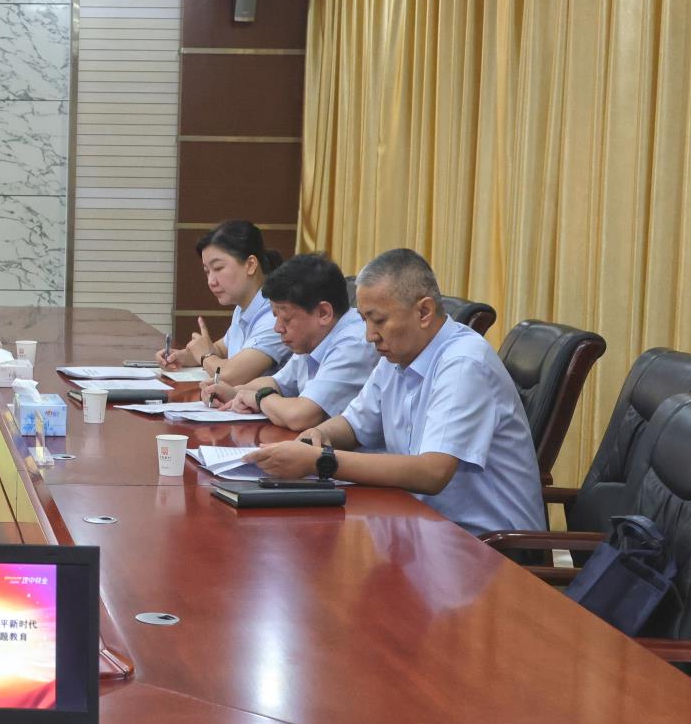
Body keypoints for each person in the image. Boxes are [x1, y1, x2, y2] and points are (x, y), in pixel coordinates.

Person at [244, 248, 546, 536]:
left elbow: (432, 472)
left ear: (424, 312)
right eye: (364, 320)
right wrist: (318, 436)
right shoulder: (397, 356)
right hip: (420, 524)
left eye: (378, 321)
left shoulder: (464, 363)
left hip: (489, 546)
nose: (369, 336)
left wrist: (321, 461)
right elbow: (353, 425)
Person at [202, 253, 376, 432]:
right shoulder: (315, 337)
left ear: (323, 313)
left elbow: (300, 416)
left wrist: (259, 398)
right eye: (275, 317)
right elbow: (278, 383)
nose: (277, 328)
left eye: (286, 319)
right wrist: (233, 392)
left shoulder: (354, 343)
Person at [158, 219, 289, 384]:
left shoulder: (276, 315)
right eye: (207, 271)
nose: (211, 281)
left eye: (218, 268)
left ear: (250, 265)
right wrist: (183, 356)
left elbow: (230, 375)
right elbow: (220, 349)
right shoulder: (244, 307)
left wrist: (205, 355)